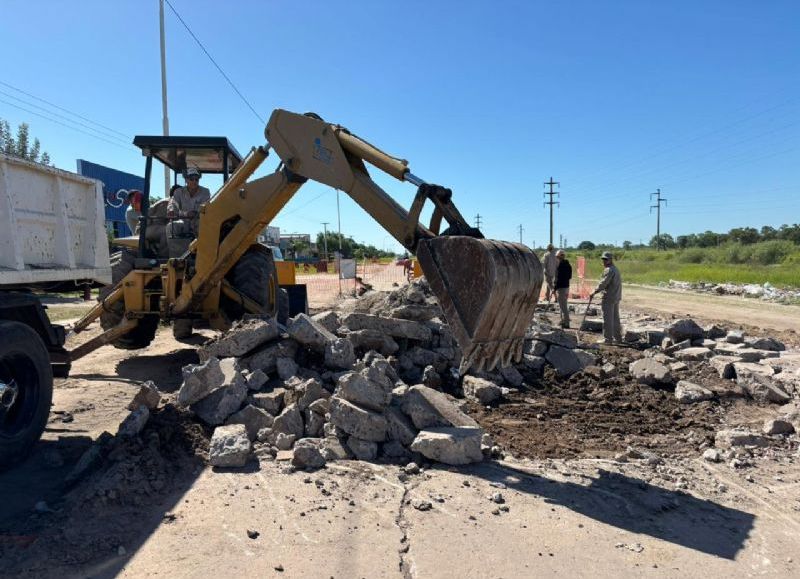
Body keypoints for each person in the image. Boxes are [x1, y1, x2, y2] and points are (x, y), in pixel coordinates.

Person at [167, 167, 211, 254]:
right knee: (171, 226)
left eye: (197, 179)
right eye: (192, 179)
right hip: (184, 221)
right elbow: (172, 206)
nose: (194, 181)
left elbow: (206, 208)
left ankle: (204, 255)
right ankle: (175, 256)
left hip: (199, 221)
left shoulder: (205, 192)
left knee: (208, 228)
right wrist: (172, 211)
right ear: (186, 180)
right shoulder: (178, 192)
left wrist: (196, 214)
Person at [591, 251, 623, 344]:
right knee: (615, 319)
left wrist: (595, 291)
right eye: (603, 259)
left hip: (609, 297)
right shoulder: (615, 269)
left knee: (608, 319)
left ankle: (608, 339)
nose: (604, 261)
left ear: (610, 260)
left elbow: (603, 283)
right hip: (615, 296)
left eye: (606, 259)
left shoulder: (609, 270)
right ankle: (618, 338)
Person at [554, 249, 572, 328]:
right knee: (563, 306)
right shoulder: (568, 265)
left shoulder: (561, 266)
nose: (557, 258)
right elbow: (569, 277)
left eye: (557, 257)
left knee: (563, 307)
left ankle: (566, 323)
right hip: (566, 287)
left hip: (561, 288)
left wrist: (555, 288)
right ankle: (563, 321)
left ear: (561, 256)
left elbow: (559, 279)